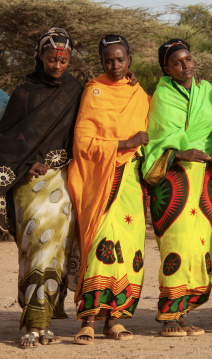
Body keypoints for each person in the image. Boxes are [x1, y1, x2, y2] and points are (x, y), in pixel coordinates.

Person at [0, 27, 82, 348]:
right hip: (28, 182)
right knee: (34, 250)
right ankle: (34, 321)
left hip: (61, 181)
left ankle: (39, 323)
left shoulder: (75, 89)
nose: (58, 65)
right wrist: (27, 163)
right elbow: (7, 140)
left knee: (54, 251)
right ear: (40, 57)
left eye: (63, 60)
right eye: (51, 59)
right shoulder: (24, 92)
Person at [69, 34, 150, 344]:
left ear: (129, 61)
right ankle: (88, 319)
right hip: (99, 179)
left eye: (120, 59)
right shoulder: (94, 91)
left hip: (130, 180)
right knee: (101, 246)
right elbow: (82, 142)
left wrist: (134, 150)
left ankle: (115, 319)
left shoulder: (138, 93)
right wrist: (124, 143)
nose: (115, 65)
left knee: (128, 249)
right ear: (101, 62)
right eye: (108, 60)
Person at [142, 39, 212, 337]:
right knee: (176, 243)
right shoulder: (162, 96)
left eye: (188, 59)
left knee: (202, 243)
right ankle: (169, 314)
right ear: (166, 68)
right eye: (177, 62)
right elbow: (158, 137)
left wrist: (210, 152)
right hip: (172, 177)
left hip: (203, 175)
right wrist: (180, 152)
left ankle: (184, 310)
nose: (186, 65)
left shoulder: (208, 91)